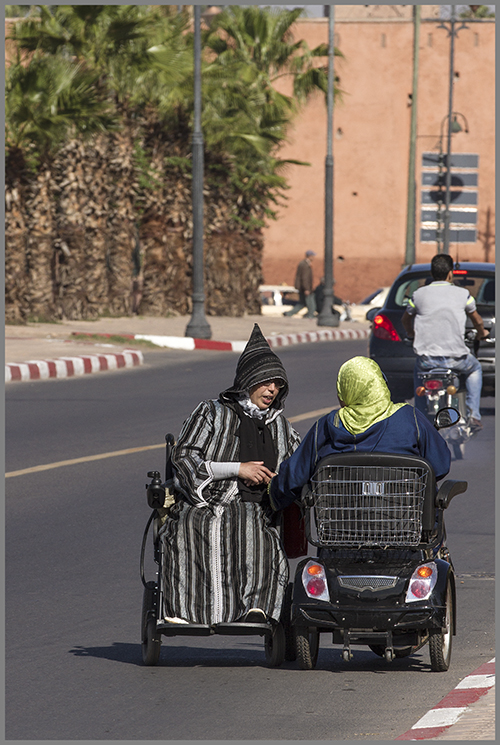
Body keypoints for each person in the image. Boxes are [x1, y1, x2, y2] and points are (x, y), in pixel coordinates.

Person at [160, 324, 301, 626]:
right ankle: (183, 609)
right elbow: (184, 456)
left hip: (254, 506)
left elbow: (296, 465)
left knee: (257, 536)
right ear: (248, 380)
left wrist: (278, 480)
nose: (272, 389)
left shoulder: (281, 426)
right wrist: (238, 468)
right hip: (203, 502)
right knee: (184, 529)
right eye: (266, 381)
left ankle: (256, 608)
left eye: (278, 384)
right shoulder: (211, 412)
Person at [269, 356, 451, 512]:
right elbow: (440, 466)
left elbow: (295, 475)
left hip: (340, 527)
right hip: (404, 524)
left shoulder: (328, 424)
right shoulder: (410, 418)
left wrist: (272, 495)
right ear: (381, 385)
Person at [402, 253, 489, 432]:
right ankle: (474, 415)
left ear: (432, 273)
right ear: (450, 273)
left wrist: (411, 333)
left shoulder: (418, 295)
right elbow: (477, 320)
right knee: (475, 368)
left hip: (427, 361)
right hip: (456, 359)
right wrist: (482, 333)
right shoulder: (463, 294)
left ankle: (420, 416)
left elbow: (406, 319)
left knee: (419, 373)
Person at [284, 250, 316, 318]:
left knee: (302, 303)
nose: (313, 258)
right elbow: (305, 278)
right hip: (305, 288)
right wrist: (306, 289)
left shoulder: (303, 263)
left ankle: (289, 313)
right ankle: (310, 315)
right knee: (311, 303)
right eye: (313, 256)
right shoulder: (305, 265)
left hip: (302, 287)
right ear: (310, 256)